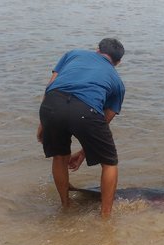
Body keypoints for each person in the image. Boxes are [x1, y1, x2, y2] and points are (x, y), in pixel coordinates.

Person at [37, 38, 126, 217]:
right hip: (86, 110)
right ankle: (105, 216)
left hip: (52, 104)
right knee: (109, 163)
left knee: (60, 157)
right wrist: (85, 152)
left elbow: (51, 85)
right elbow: (104, 120)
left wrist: (43, 123)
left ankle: (66, 205)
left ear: (97, 50)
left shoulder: (74, 54)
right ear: (118, 62)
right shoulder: (117, 82)